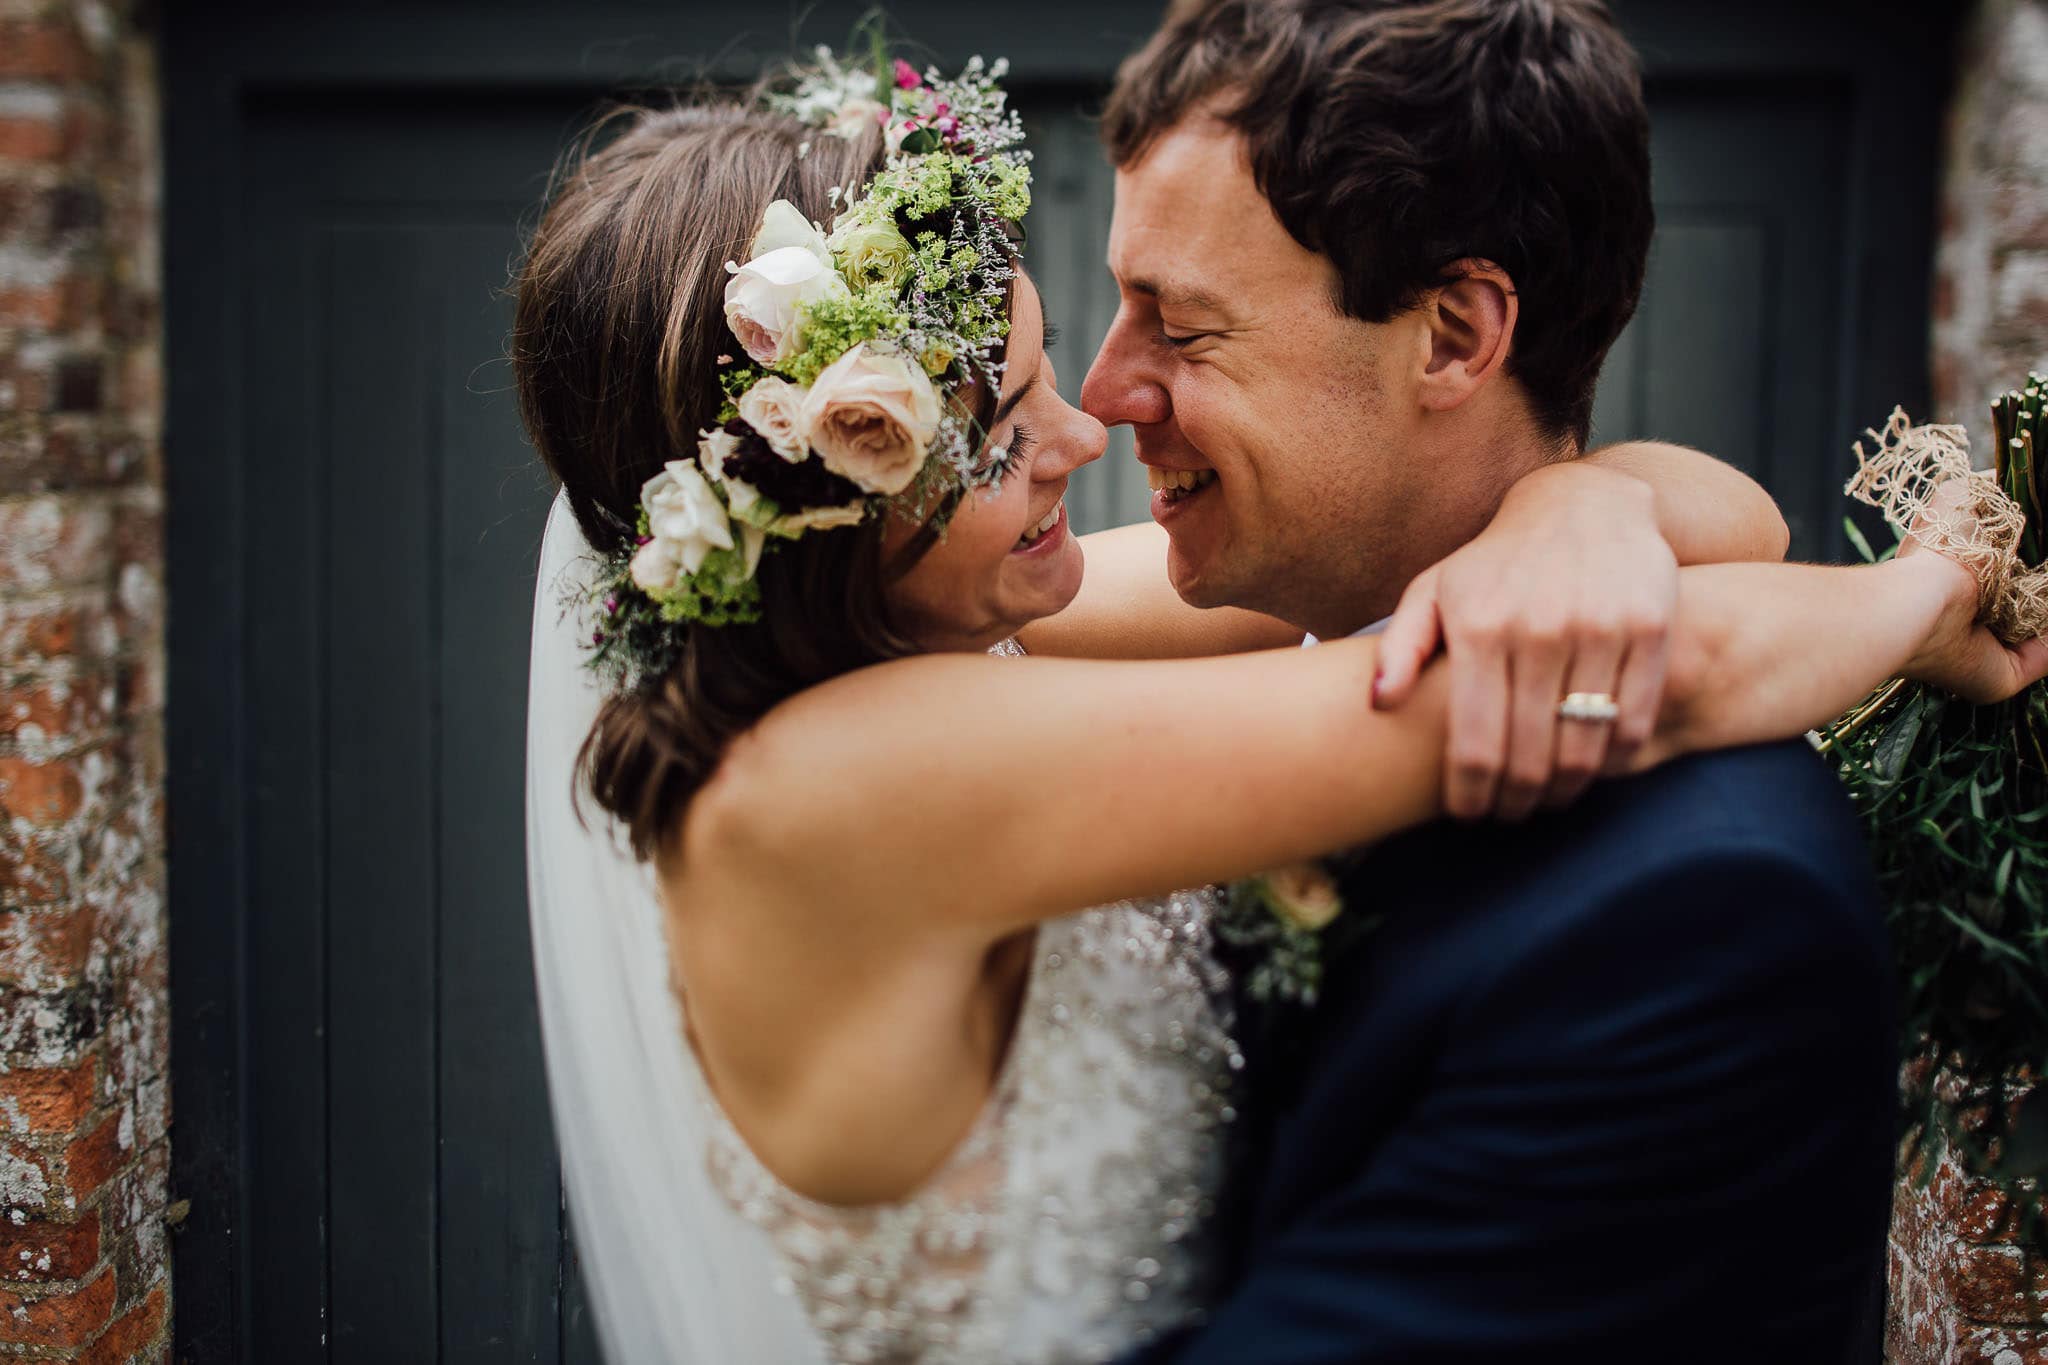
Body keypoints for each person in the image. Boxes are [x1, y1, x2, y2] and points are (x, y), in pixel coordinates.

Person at [516, 49, 2041, 1365]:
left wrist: (1565, 515)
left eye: (1048, 365)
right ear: (818, 509)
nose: (1081, 429)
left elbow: (1723, 525)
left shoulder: (957, 637)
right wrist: (1932, 593)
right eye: (990, 431)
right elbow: (1570, 687)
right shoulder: (834, 786)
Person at [1077, 1, 1925, 1358]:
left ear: (1457, 334)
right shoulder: (1259, 628)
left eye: (1178, 324)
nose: (1103, 391)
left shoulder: (1701, 915)